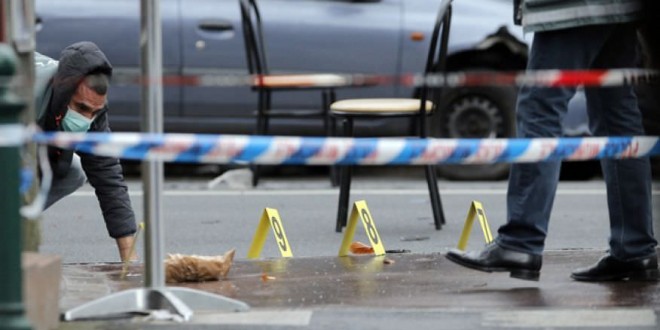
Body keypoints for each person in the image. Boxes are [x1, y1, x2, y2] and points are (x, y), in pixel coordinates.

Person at [445, 0, 658, 281]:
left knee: (541, 107)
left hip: (570, 6)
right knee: (616, 114)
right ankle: (635, 246)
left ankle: (520, 241)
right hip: (617, 6)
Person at [36, 41, 137, 262]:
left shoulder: (94, 106)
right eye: (81, 108)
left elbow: (107, 173)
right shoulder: (28, 96)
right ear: (63, 92)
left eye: (93, 112)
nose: (85, 120)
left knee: (73, 172)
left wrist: (129, 264)